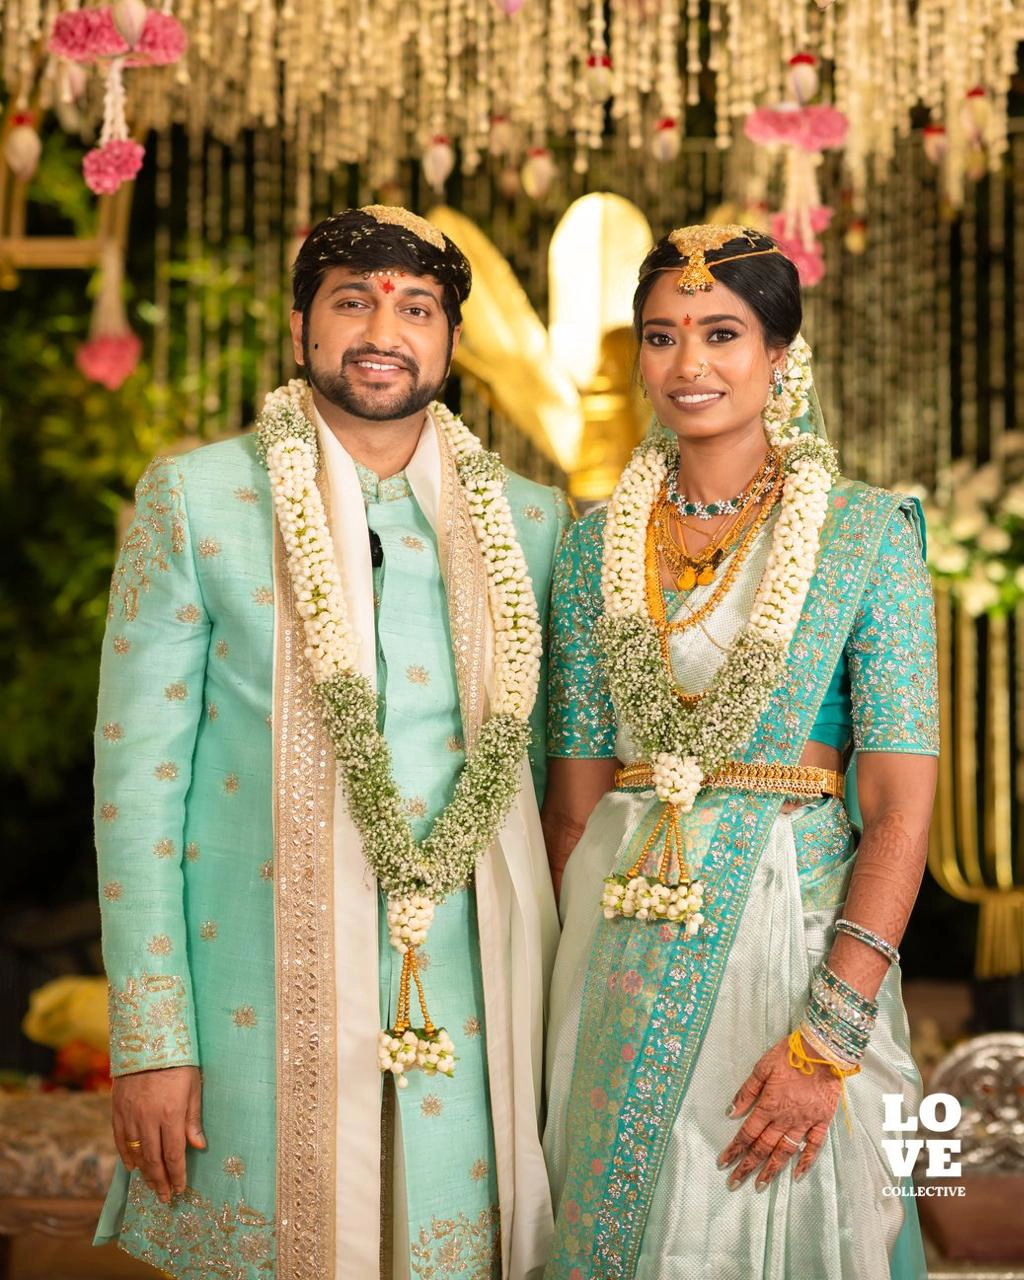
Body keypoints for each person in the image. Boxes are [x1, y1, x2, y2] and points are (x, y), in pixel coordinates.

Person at [93, 204, 568, 1280]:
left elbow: (556, 784)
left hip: (479, 997)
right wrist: (153, 1039)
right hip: (258, 996)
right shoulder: (197, 499)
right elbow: (135, 784)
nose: (382, 332)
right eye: (352, 301)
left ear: (452, 339)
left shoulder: (534, 522)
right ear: (301, 323)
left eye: (416, 309)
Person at [540, 224, 938, 1280]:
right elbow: (572, 808)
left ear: (779, 354)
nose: (689, 362)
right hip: (611, 949)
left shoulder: (866, 535)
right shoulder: (591, 548)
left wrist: (830, 1033)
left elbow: (900, 809)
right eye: (661, 335)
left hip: (792, 948)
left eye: (721, 333)